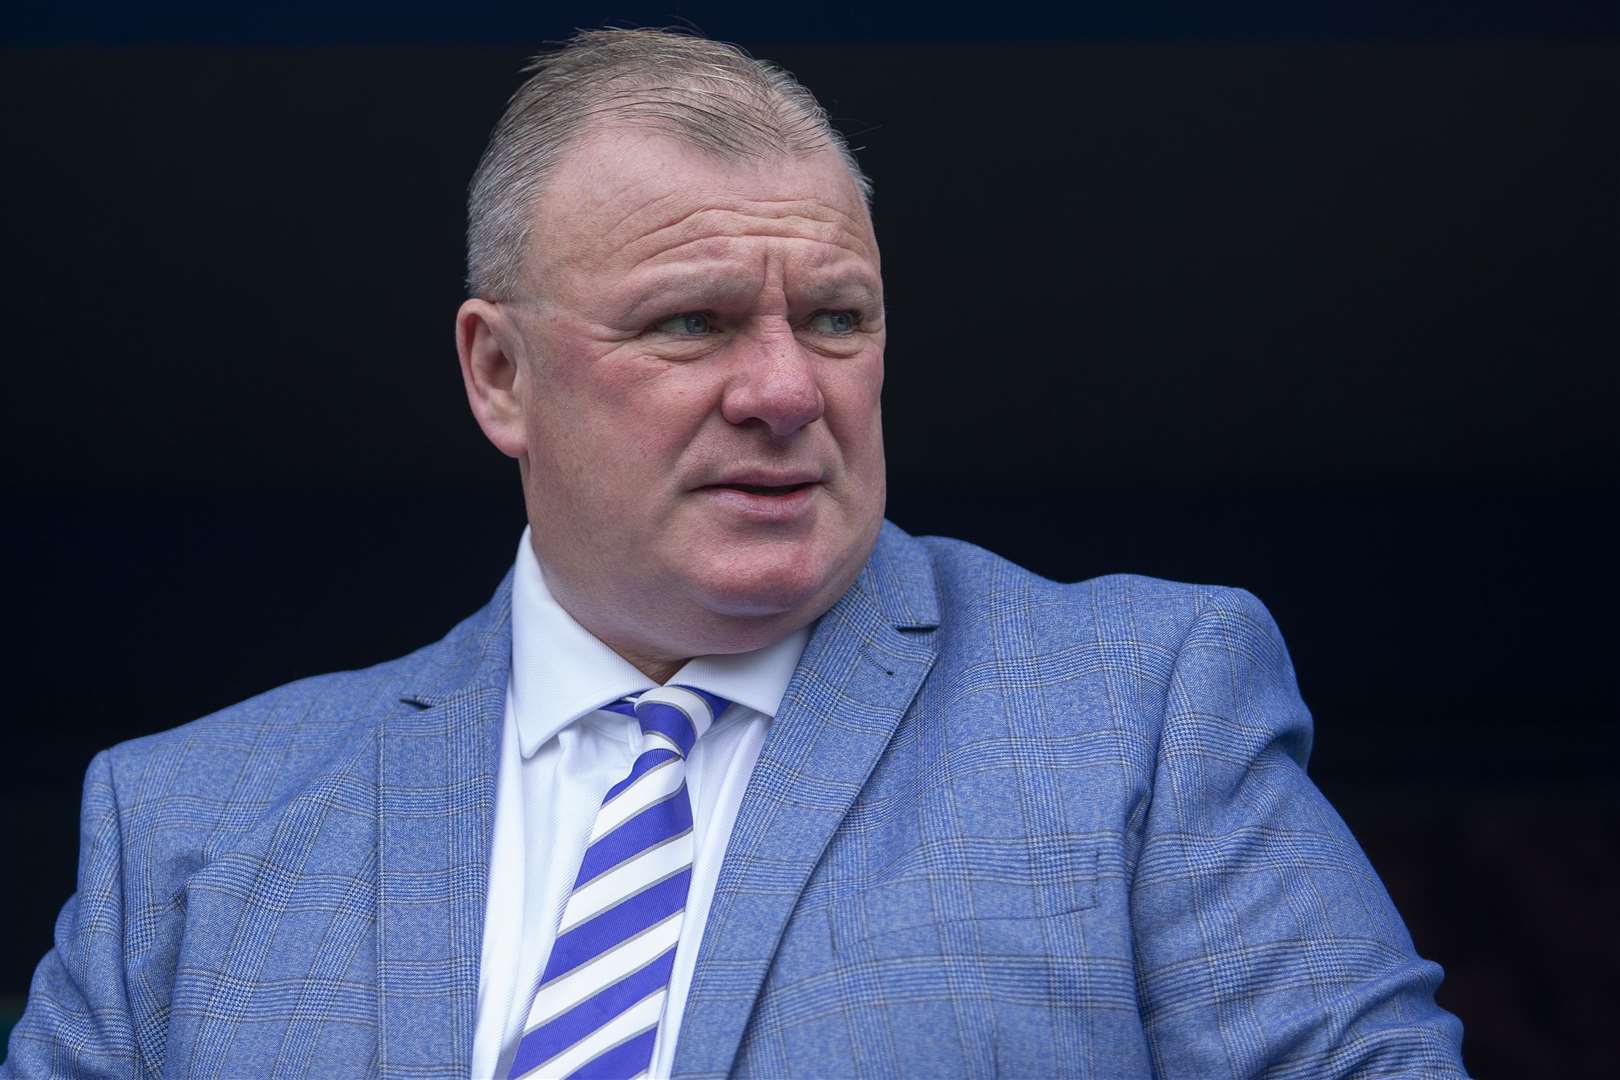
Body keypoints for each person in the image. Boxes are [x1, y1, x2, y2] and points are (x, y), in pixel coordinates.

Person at [3, 28, 1469, 1080]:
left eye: (835, 318)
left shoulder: (1135, 708)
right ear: (498, 374)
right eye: (691, 321)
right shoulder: (188, 832)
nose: (785, 388)